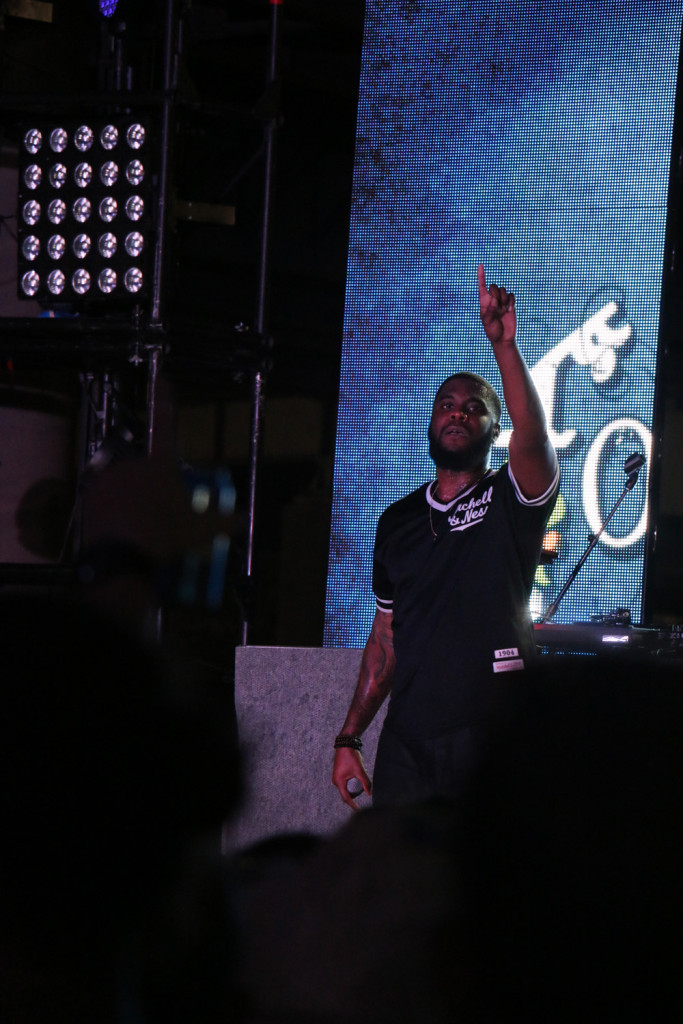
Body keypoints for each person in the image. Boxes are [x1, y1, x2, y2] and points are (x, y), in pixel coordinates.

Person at [332, 264, 559, 808]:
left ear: (493, 430)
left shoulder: (511, 497)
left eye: (474, 407)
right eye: (447, 405)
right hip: (407, 744)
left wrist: (505, 347)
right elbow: (385, 638)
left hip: (491, 734)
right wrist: (349, 737)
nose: (458, 412)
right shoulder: (396, 521)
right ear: (431, 424)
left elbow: (533, 439)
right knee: (405, 890)